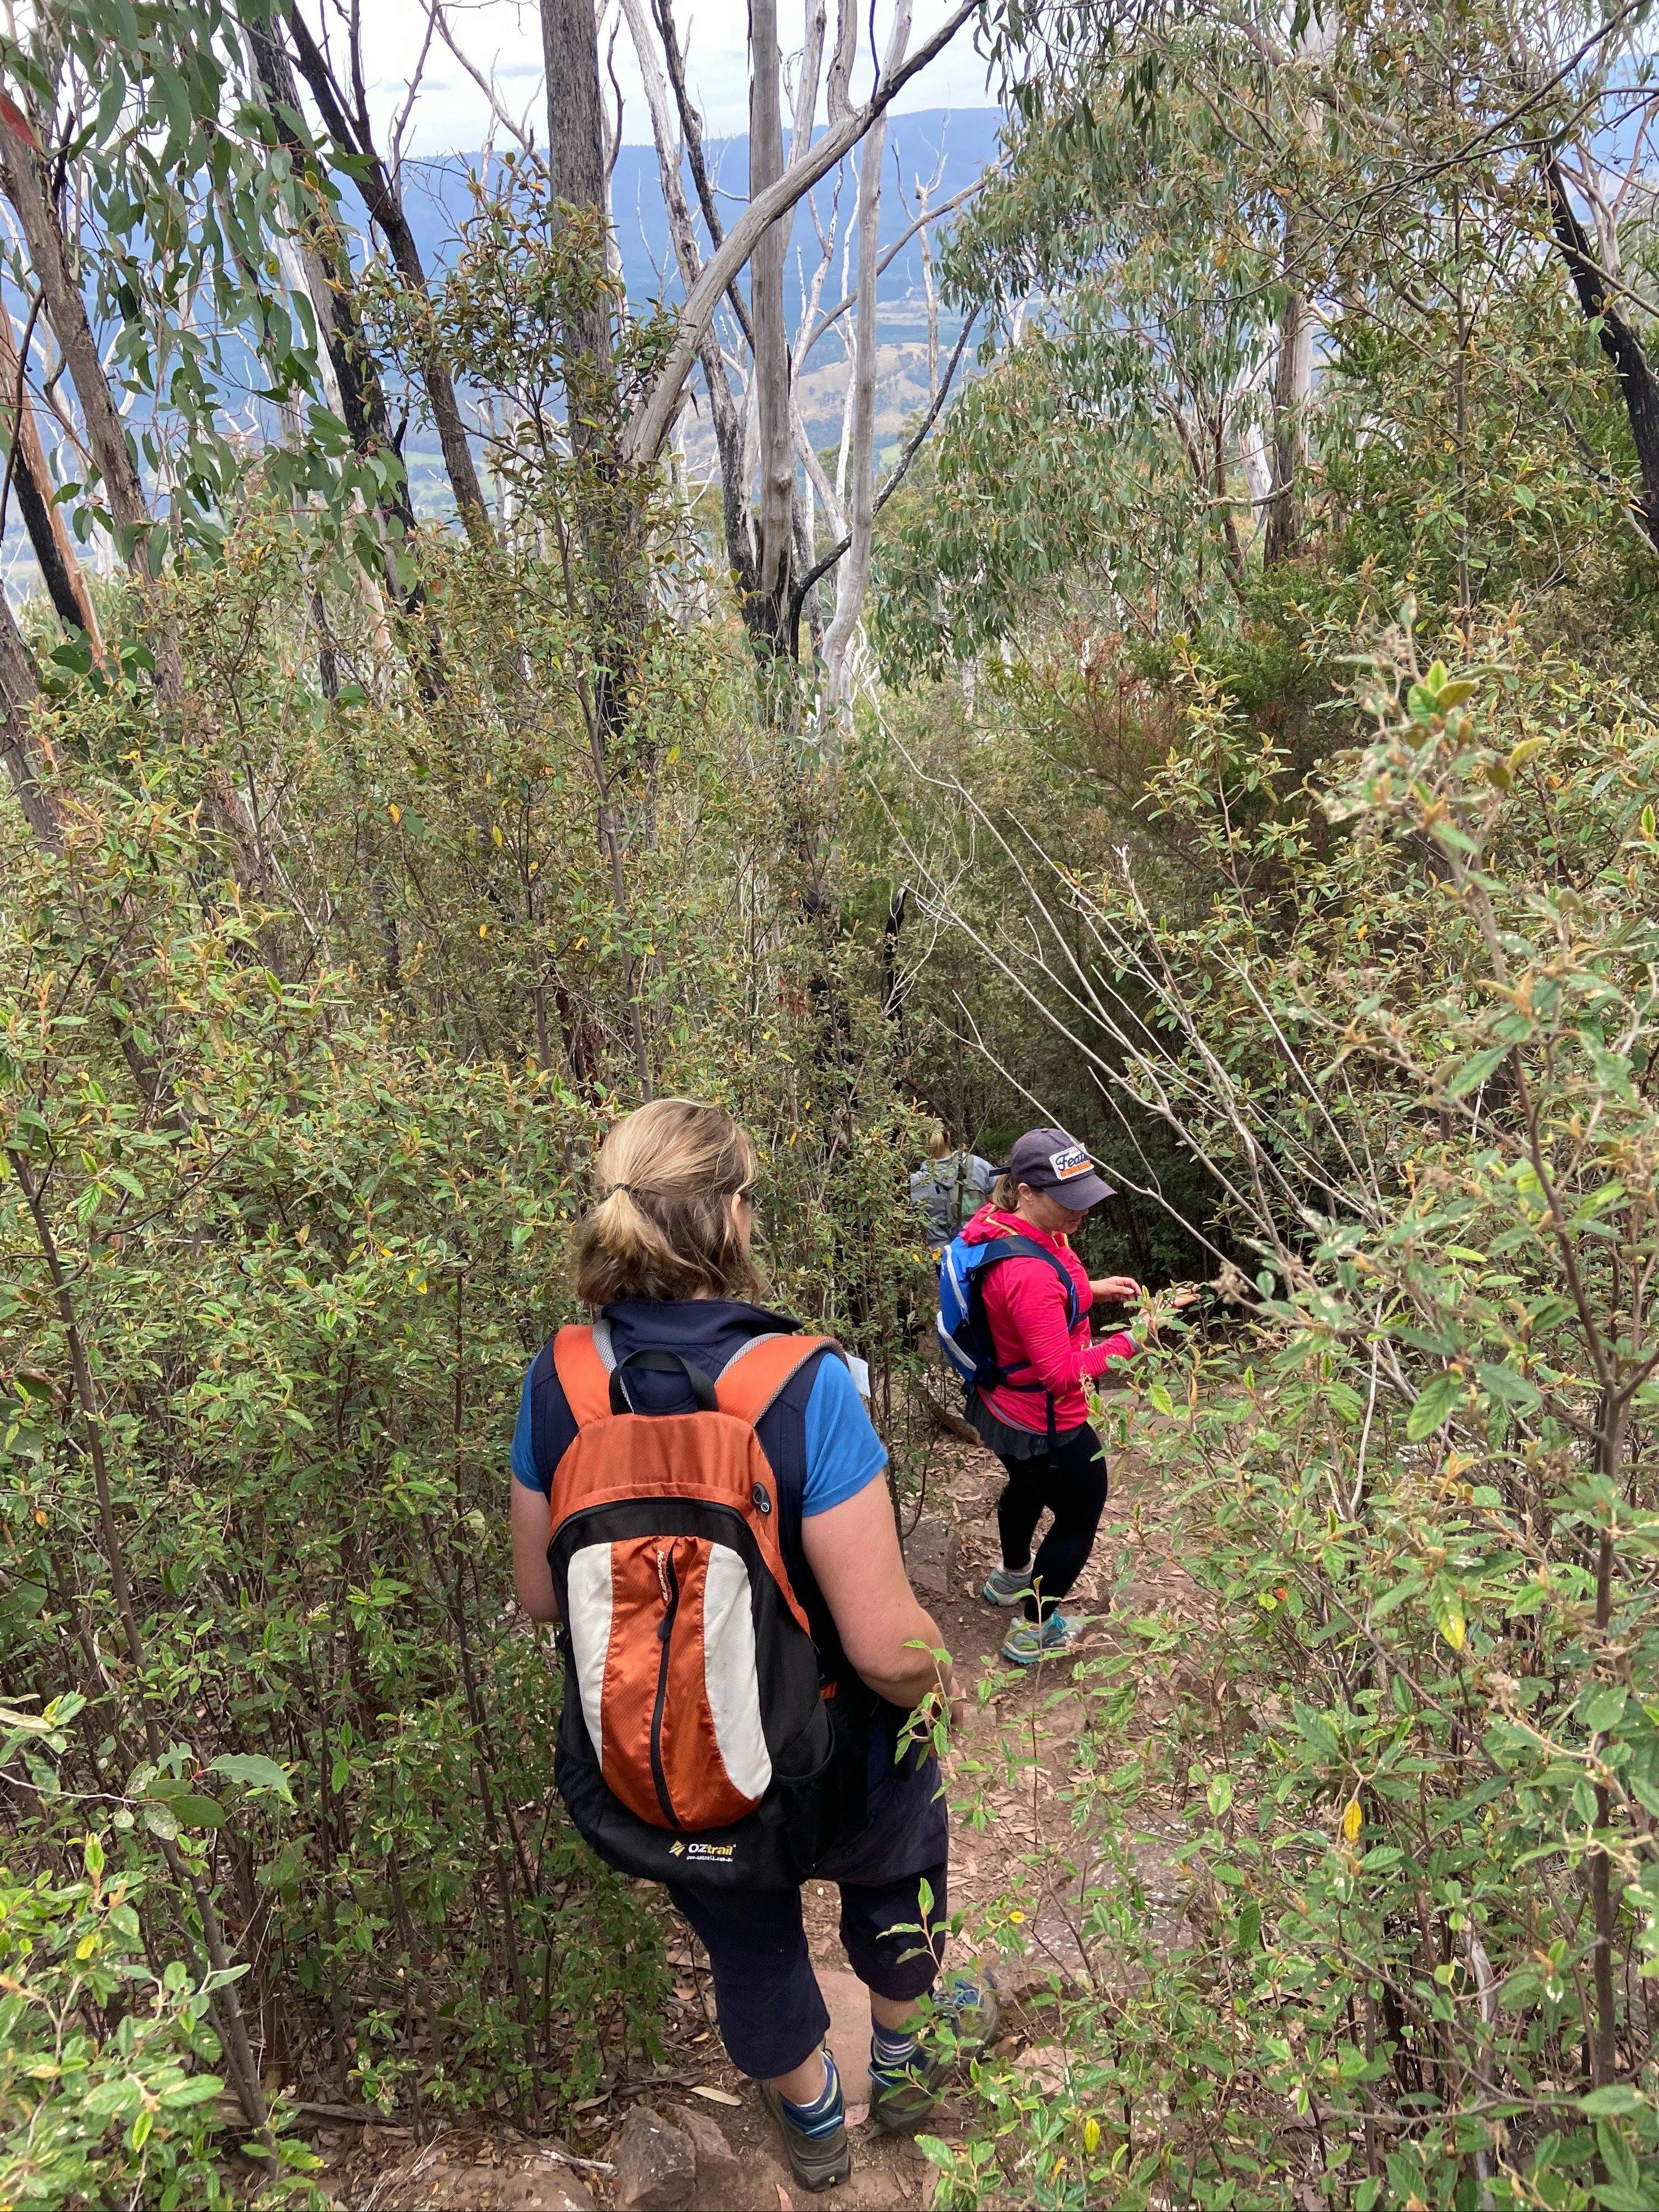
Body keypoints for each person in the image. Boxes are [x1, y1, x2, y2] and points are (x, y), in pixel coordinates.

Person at [509, 1099, 996, 2194]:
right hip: (834, 1747)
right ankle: (903, 2068)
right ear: (732, 1214)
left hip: (673, 1750)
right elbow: (883, 1647)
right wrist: (942, 1681)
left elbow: (541, 1594)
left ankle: (814, 2121)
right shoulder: (803, 1382)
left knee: (747, 1938)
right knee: (896, 1876)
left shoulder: (561, 1380)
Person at [958, 1126, 1187, 1667]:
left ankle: (1011, 1577)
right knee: (1080, 1516)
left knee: (1025, 1485)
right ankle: (1033, 1631)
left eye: (1085, 1195)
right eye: (1068, 1199)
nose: (1081, 1210)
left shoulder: (1000, 1226)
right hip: (1044, 1421)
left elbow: (1030, 1305)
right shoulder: (1029, 1273)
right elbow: (1062, 1373)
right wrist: (1136, 1337)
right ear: (1027, 1191)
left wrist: (1092, 1291)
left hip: (1000, 1408)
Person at [909, 1122, 996, 1252]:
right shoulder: (977, 1164)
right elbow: (1005, 1193)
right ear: (948, 1137)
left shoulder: (917, 1182)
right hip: (984, 1247)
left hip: (943, 1254)